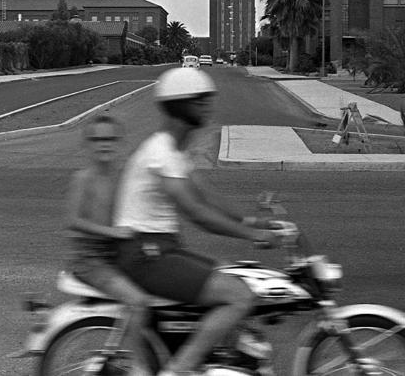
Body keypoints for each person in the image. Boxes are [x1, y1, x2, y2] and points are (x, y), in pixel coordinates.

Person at [113, 68, 280, 376]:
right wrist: (252, 234)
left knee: (228, 272)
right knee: (239, 296)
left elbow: (207, 196)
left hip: (159, 249)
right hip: (145, 255)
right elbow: (197, 213)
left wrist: (253, 219)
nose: (208, 107)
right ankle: (178, 370)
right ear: (180, 106)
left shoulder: (174, 152)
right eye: (200, 101)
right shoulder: (160, 153)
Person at [66, 115, 152, 375]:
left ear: (120, 143)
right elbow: (72, 220)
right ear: (87, 144)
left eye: (110, 139)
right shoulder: (83, 178)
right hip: (90, 260)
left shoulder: (123, 177)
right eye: (98, 139)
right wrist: (112, 232)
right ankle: (140, 367)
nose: (104, 145)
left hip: (118, 254)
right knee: (138, 302)